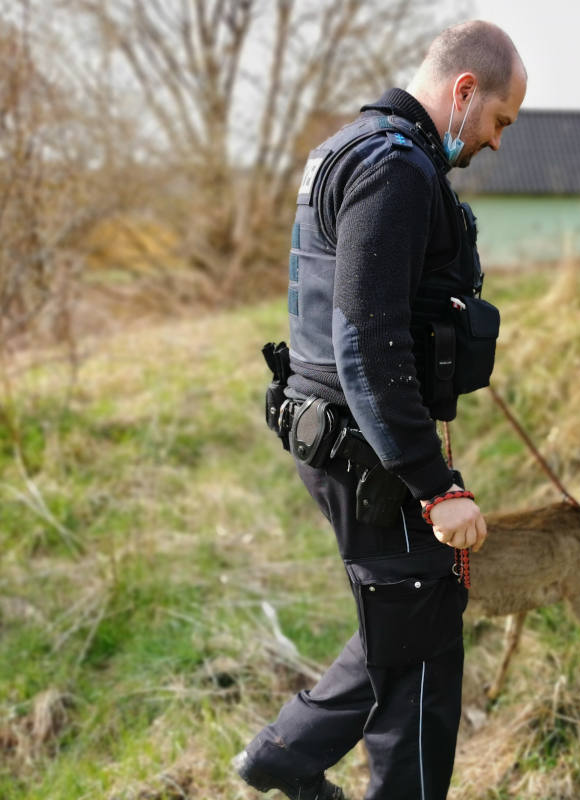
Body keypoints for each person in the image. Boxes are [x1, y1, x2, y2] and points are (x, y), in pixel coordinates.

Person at [234, 20, 527, 800]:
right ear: (465, 92)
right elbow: (365, 339)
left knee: (412, 619)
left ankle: (286, 754)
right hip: (367, 450)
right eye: (500, 120)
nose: (497, 141)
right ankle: (289, 754)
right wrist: (436, 486)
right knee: (422, 637)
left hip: (343, 436)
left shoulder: (353, 146)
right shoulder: (393, 169)